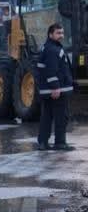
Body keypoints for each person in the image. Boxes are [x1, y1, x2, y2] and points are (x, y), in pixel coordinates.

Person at [35, 22, 74, 151]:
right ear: (50, 34)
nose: (61, 35)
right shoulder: (53, 50)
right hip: (57, 90)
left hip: (48, 90)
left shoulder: (48, 47)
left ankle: (43, 143)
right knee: (61, 117)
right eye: (58, 33)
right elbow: (51, 70)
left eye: (62, 33)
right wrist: (55, 87)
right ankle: (60, 143)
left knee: (46, 117)